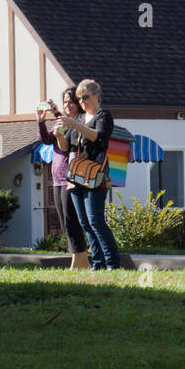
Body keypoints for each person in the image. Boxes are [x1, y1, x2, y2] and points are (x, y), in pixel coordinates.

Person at [58, 79, 122, 271]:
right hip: (76, 177)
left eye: (85, 97)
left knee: (96, 221)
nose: (82, 101)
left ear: (96, 95)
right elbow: (65, 147)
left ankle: (112, 263)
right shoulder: (77, 120)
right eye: (79, 98)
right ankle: (98, 263)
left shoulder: (104, 116)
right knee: (85, 223)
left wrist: (74, 125)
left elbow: (99, 138)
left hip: (96, 177)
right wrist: (59, 135)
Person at [37, 88, 87, 270]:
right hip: (57, 178)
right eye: (65, 102)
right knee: (65, 223)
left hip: (71, 179)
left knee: (71, 221)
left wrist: (57, 114)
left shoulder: (79, 123)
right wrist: (41, 120)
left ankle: (77, 263)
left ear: (78, 104)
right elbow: (45, 139)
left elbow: (66, 144)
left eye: (71, 102)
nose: (67, 105)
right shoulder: (61, 121)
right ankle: (82, 262)